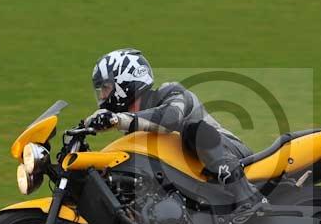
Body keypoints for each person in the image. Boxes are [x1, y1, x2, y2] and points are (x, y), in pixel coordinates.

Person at [86, 48, 266, 215]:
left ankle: (247, 196)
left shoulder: (171, 92)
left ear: (125, 83)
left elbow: (170, 119)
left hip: (234, 155)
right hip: (199, 181)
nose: (102, 96)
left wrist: (118, 120)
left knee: (193, 130)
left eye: (106, 88)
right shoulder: (134, 133)